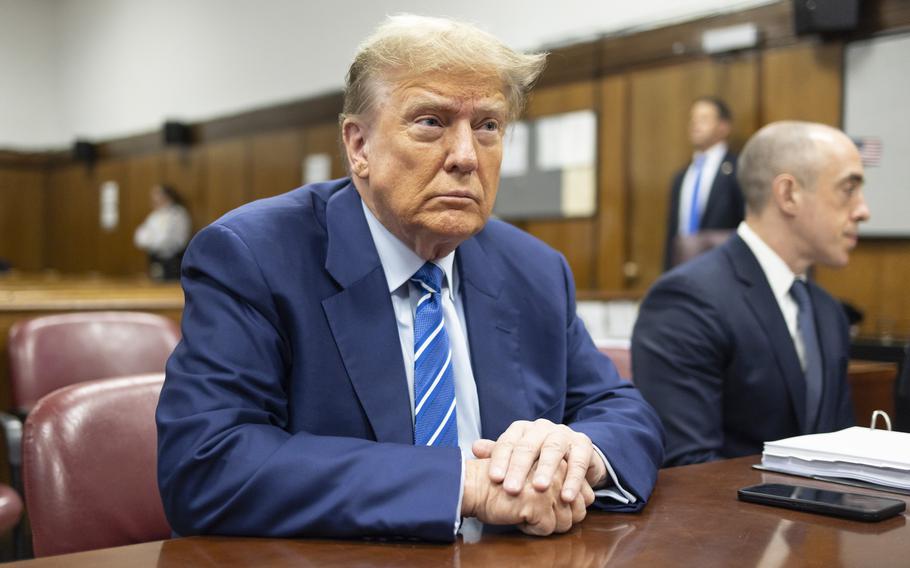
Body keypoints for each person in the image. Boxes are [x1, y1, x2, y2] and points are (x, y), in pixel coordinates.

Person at [156, 15, 663, 542]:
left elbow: (621, 412)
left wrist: (578, 456)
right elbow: (207, 465)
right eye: (430, 122)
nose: (466, 156)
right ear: (359, 147)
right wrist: (463, 483)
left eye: (487, 126)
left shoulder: (532, 268)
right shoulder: (254, 257)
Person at [633, 121, 869, 467]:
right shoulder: (686, 302)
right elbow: (691, 469)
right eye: (848, 189)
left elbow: (839, 450)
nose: (863, 210)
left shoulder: (827, 312)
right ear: (788, 194)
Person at [663, 97, 744, 270]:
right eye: (693, 119)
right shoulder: (682, 176)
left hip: (723, 269)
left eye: (704, 119)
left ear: (723, 127)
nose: (695, 124)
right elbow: (672, 233)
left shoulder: (738, 169)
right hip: (682, 269)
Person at [133, 184, 192, 280]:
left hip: (172, 261)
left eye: (157, 195)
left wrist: (151, 240)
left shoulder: (177, 214)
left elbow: (164, 240)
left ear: (166, 196)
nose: (154, 199)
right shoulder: (154, 216)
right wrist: (151, 240)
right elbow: (139, 238)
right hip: (154, 258)